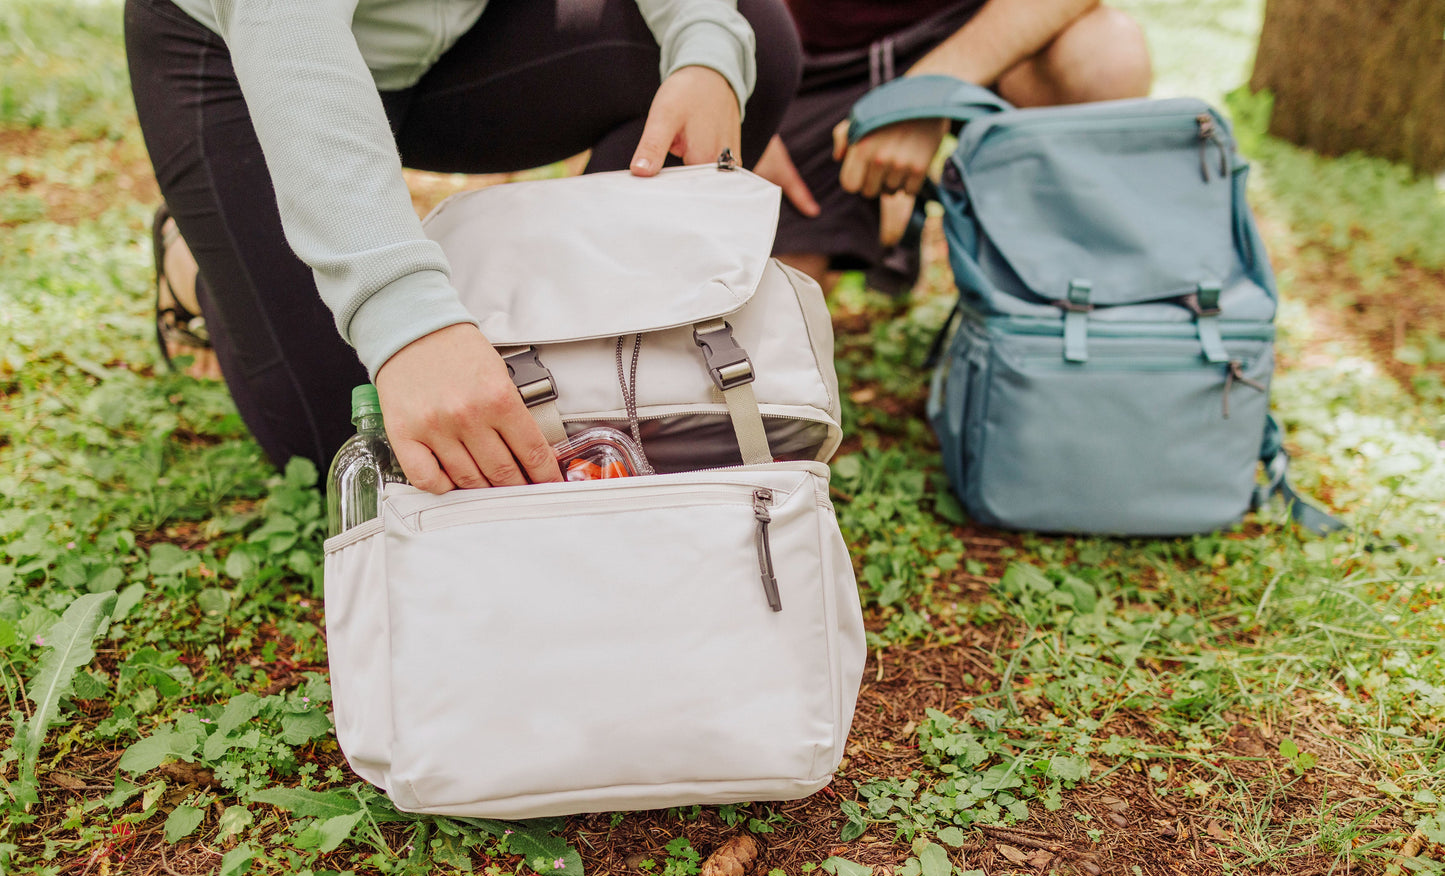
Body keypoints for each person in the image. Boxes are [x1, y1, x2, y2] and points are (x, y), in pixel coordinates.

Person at [125, 0, 801, 493]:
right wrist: (405, 321)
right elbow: (290, 31)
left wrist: (706, 48)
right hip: (248, 48)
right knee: (348, 447)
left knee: (750, 40)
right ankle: (202, 254)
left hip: (463, 37)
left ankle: (578, 342)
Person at [754, 0, 1152, 294]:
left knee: (1109, 57)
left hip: (979, 25)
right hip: (815, 54)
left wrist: (924, 94)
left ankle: (1060, 297)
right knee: (770, 294)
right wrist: (751, 113)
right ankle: (891, 204)